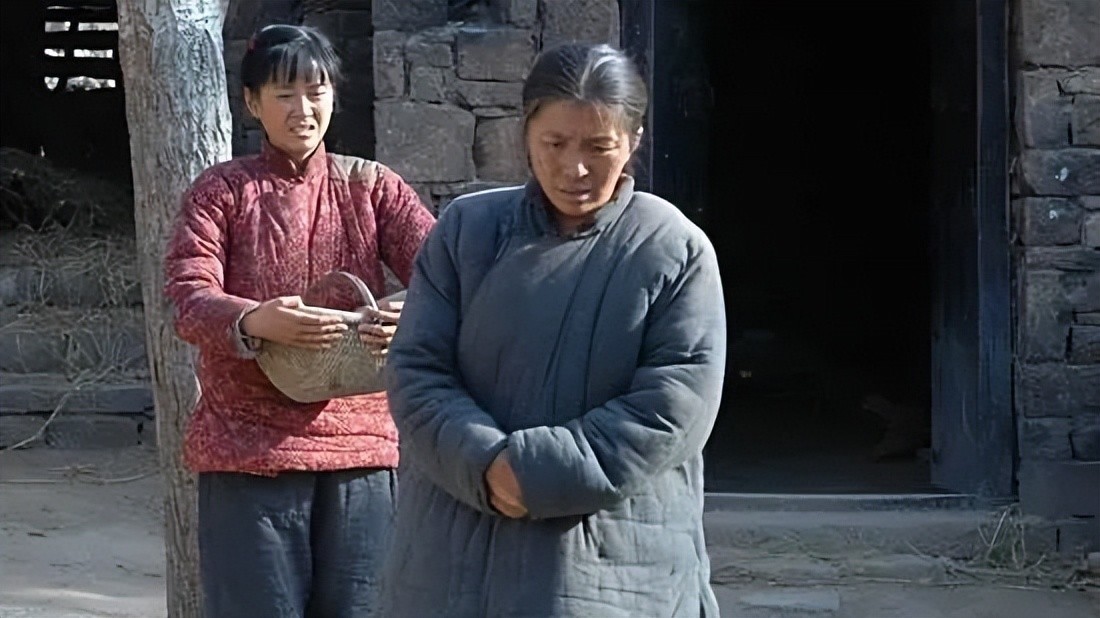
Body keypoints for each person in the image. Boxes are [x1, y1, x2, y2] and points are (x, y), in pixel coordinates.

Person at [383, 42, 727, 617]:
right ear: (526, 134)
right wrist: (485, 464)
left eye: (599, 147)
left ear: (634, 141)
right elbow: (416, 370)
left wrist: (533, 474)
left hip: (610, 567)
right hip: (452, 553)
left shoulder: (673, 249)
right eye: (555, 143)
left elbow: (674, 404)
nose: (575, 168)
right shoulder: (467, 231)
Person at [163, 24, 435, 618]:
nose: (303, 109)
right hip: (246, 447)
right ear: (252, 102)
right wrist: (256, 320)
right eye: (284, 94)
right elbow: (187, 297)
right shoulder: (220, 193)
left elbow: (449, 278)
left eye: (316, 91)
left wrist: (410, 313)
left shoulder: (373, 188)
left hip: (361, 451)